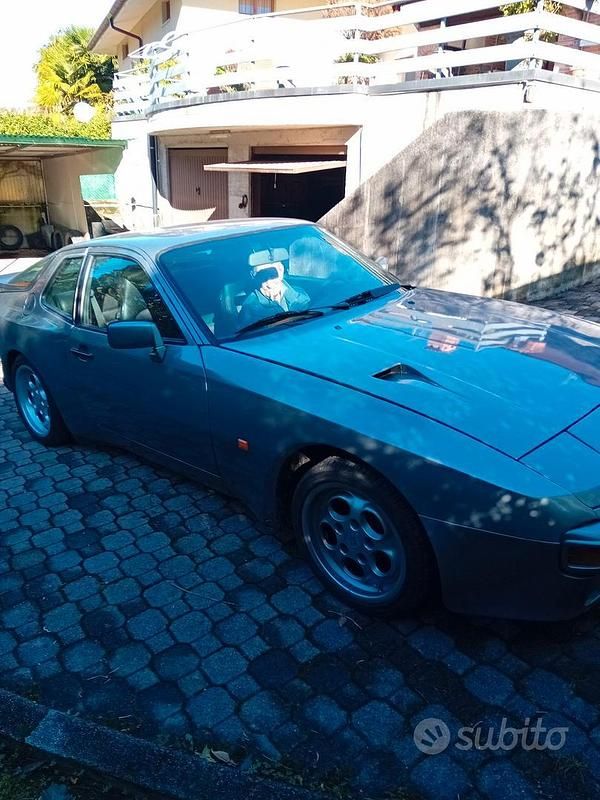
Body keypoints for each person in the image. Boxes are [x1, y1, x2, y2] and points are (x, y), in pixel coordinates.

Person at [238, 260, 310, 329]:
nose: (269, 284)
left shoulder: (299, 294)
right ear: (254, 277)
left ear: (281, 270)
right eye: (262, 276)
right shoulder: (249, 308)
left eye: (273, 274)